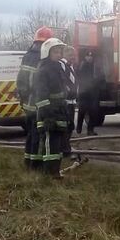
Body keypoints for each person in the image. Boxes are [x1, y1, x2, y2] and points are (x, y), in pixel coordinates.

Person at [33, 38, 76, 177]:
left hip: (59, 111)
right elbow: (40, 96)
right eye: (56, 52)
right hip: (49, 113)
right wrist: (47, 116)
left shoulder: (58, 68)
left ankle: (55, 171)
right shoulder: (43, 70)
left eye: (60, 51)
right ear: (47, 53)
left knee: (57, 144)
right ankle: (49, 173)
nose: (59, 55)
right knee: (50, 143)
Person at [17, 26, 53, 170]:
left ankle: (28, 161)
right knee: (39, 134)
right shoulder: (43, 57)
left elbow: (21, 80)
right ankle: (36, 164)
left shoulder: (27, 55)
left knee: (31, 133)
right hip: (38, 102)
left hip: (28, 103)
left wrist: (24, 97)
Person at [75, 49, 100, 136]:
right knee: (82, 111)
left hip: (92, 91)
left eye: (91, 56)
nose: (90, 57)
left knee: (93, 111)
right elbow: (80, 78)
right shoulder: (83, 65)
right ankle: (79, 128)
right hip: (84, 92)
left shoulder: (94, 66)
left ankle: (90, 130)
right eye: (88, 56)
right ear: (85, 57)